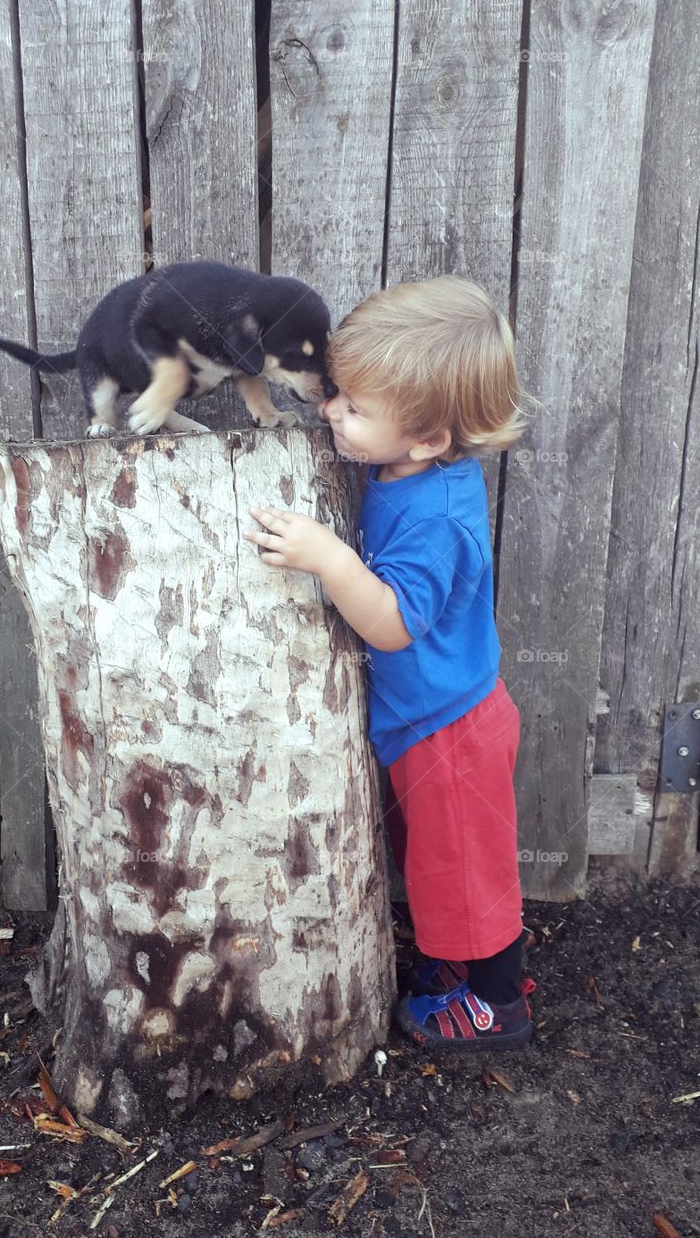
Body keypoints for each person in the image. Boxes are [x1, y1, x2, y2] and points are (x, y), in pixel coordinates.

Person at [242, 274, 539, 1050]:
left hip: (452, 727)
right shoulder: (403, 466)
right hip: (426, 720)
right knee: (439, 864)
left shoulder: (437, 515)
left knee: (469, 870)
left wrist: (326, 556)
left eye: (353, 407)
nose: (330, 409)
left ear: (431, 438)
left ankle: (495, 1006)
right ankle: (454, 968)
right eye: (337, 391)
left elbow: (394, 624)